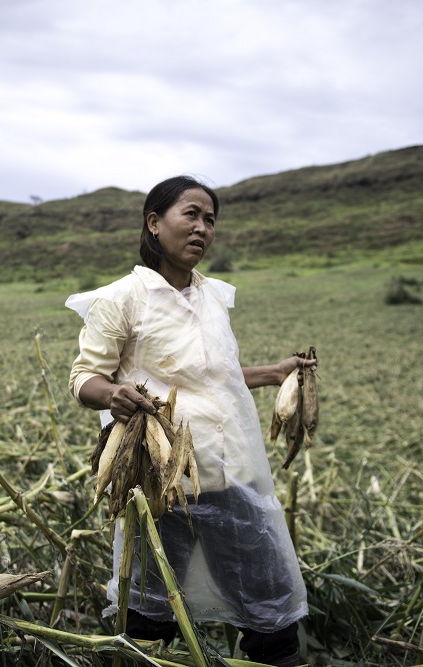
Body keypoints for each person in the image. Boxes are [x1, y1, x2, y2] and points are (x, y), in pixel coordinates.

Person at [66, 175, 315, 666]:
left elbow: (213, 377)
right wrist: (111, 393)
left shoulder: (212, 297)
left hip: (230, 471)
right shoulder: (122, 298)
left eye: (211, 219)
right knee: (151, 616)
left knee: (271, 613)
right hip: (163, 482)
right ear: (154, 223)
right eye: (191, 215)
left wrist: (275, 372)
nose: (202, 228)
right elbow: (83, 377)